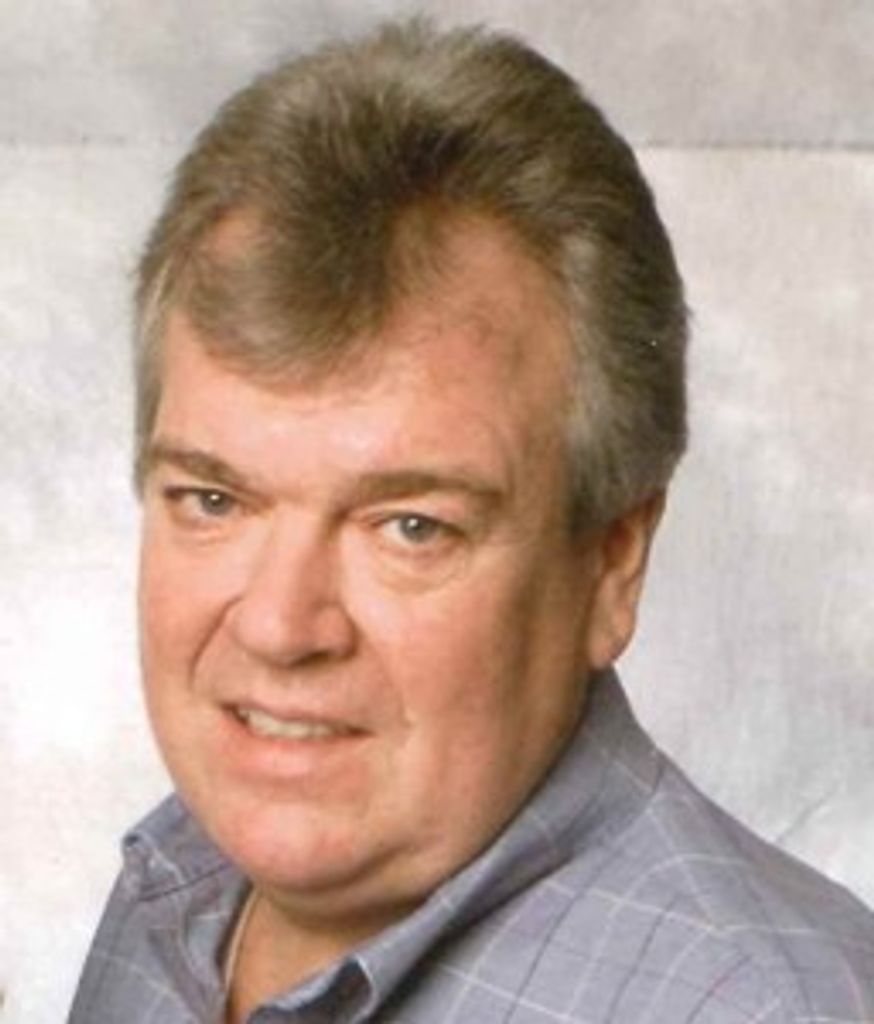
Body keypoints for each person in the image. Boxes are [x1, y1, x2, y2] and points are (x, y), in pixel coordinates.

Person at [68, 18, 874, 1024]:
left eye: (410, 526)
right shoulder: (178, 891)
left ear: (611, 565)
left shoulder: (755, 1009)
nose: (278, 626)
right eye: (214, 500)